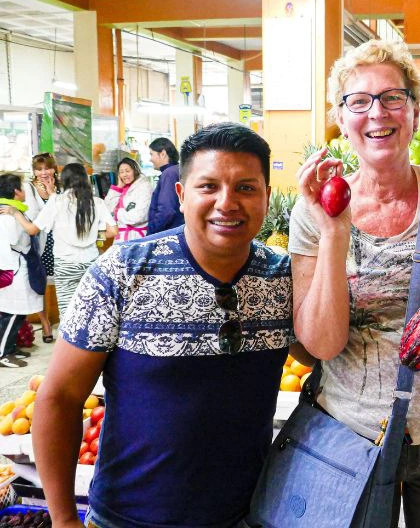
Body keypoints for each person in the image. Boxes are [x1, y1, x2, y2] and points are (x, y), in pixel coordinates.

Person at [289, 40, 420, 528]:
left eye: (392, 97)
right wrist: (334, 231)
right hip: (349, 432)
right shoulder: (312, 211)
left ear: (414, 109)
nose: (376, 113)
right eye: (358, 101)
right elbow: (321, 344)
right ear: (341, 119)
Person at [31, 123, 293, 528]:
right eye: (208, 186)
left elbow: (322, 352)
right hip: (128, 518)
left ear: (266, 197)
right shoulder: (121, 271)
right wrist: (64, 520)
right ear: (181, 195)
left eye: (246, 188)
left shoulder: (283, 278)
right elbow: (59, 398)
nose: (227, 203)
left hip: (246, 516)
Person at [3, 164, 117, 318]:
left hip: (65, 264)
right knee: (89, 308)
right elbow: (112, 231)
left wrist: (16, 213)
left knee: (67, 311)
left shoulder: (57, 202)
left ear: (64, 180)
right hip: (90, 261)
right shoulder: (97, 202)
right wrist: (90, 233)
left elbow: (32, 230)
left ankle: (67, 340)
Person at [0, 174, 43, 368]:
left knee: (18, 310)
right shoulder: (7, 214)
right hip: (13, 267)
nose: (26, 192)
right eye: (23, 188)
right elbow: (13, 239)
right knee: (12, 312)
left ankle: (9, 347)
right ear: (16, 192)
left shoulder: (15, 210)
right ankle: (3, 353)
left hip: (18, 265)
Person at [23, 153, 59, 342]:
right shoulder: (28, 188)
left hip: (60, 241)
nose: (43, 172)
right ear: (34, 171)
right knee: (40, 286)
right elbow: (36, 216)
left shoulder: (61, 187)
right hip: (39, 243)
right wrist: (52, 198)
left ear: (54, 168)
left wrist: (53, 194)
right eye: (39, 169)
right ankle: (45, 324)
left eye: (47, 168)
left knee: (62, 283)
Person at [104, 157, 153, 242]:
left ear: (135, 170)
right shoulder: (125, 187)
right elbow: (107, 208)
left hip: (135, 238)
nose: (124, 175)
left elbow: (137, 217)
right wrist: (118, 187)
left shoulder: (144, 187)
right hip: (122, 238)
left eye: (127, 171)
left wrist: (116, 212)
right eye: (121, 172)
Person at [147, 137, 184, 235]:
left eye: (152, 154)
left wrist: (151, 233)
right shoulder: (176, 170)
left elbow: (166, 211)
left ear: (162, 154)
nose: (150, 159)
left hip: (168, 233)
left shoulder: (169, 174)